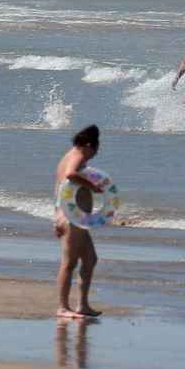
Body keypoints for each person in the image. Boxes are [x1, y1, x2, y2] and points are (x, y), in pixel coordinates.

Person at [54, 125, 105, 318]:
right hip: (72, 218)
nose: (94, 155)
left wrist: (55, 217)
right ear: (90, 145)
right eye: (95, 151)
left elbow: (59, 189)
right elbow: (70, 175)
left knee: (90, 259)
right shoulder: (77, 156)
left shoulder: (69, 155)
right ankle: (62, 307)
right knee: (69, 263)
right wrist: (92, 186)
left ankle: (82, 304)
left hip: (74, 218)